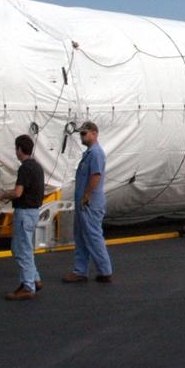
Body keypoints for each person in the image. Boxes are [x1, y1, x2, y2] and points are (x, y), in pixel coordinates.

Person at [63, 121, 113, 284]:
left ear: (94, 133)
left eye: (84, 133)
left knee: (92, 235)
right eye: (81, 134)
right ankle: (80, 270)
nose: (81, 137)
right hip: (84, 202)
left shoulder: (96, 153)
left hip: (89, 202)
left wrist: (86, 195)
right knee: (81, 236)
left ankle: (105, 270)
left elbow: (96, 175)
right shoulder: (89, 153)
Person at [0, 134, 44, 301]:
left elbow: (17, 192)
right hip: (33, 211)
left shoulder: (25, 168)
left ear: (19, 149)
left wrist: (2, 195)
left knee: (20, 250)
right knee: (26, 248)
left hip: (24, 212)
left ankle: (27, 285)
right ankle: (34, 278)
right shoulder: (37, 167)